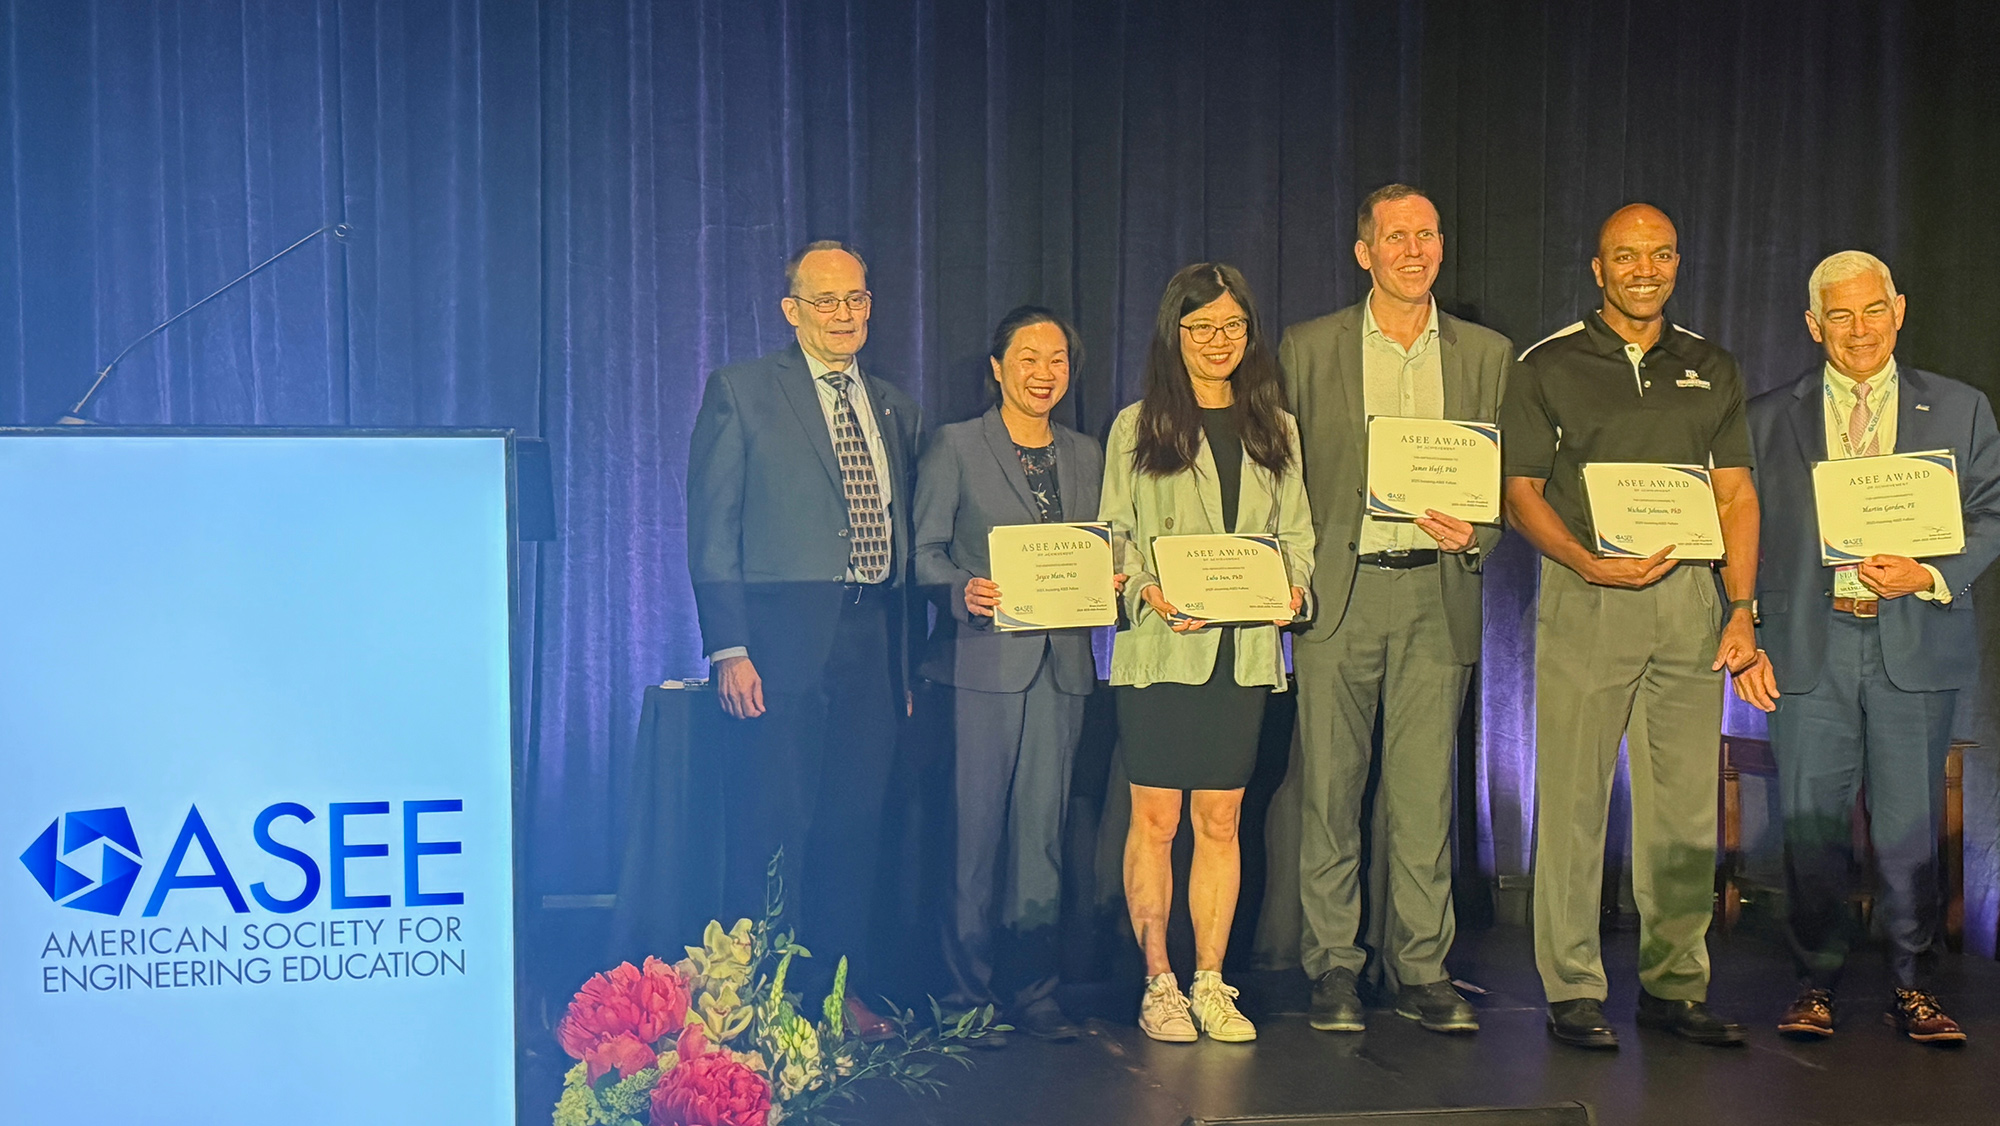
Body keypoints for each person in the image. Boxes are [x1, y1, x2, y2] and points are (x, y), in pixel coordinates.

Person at [1500, 204, 1759, 1049]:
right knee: (1574, 797)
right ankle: (1572, 986)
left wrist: (1742, 605)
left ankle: (1675, 985)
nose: (1644, 269)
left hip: (1688, 602)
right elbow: (1521, 492)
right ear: (1598, 268)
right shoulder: (1549, 364)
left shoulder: (1709, 365)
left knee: (1683, 807)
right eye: (1626, 256)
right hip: (1589, 594)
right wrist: (1584, 559)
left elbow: (1735, 495)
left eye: (1660, 255)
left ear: (1678, 263)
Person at [1732, 251, 2000, 1044]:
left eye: (1872, 310)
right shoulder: (1766, 416)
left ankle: (1915, 987)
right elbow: (1741, 533)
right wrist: (1746, 628)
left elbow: (1992, 513)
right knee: (1811, 828)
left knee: (1909, 827)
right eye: (1840, 316)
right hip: (1810, 645)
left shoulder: (1959, 409)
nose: (1859, 330)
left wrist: (1931, 570)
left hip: (1915, 640)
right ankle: (1814, 984)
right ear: (1815, 326)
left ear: (1900, 310)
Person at [1278, 184, 1511, 1035]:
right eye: (1396, 236)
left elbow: (1506, 480)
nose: (1414, 250)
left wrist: (1474, 532)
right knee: (1331, 795)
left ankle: (1421, 968)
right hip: (1341, 593)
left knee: (1424, 799)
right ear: (1363, 250)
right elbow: (1282, 474)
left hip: (1436, 591)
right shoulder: (1308, 347)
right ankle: (1334, 966)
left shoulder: (1487, 354)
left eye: (1428, 234)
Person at [685, 240, 923, 1038]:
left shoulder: (894, 405)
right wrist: (729, 647)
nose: (845, 314)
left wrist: (908, 662)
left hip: (874, 638)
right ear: (791, 310)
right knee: (771, 826)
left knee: (853, 830)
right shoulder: (744, 392)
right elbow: (712, 529)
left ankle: (833, 995)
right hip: (778, 643)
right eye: (826, 302)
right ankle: (751, 1006)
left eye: (856, 298)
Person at [1101, 263, 1314, 1044]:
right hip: (1163, 652)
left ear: (1249, 334)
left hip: (1244, 654)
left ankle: (1211, 982)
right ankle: (1159, 982)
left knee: (1222, 820)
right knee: (1155, 819)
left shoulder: (1277, 428)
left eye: (1231, 326)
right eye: (1200, 328)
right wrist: (1149, 591)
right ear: (1174, 334)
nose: (1218, 342)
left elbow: (1299, 540)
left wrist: (1293, 591)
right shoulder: (1136, 426)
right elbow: (1115, 539)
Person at [914, 306, 1119, 1044]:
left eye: (1058, 359)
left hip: (1062, 669)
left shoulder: (1087, 455)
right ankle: (964, 996)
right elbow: (923, 553)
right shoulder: (956, 446)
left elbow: (1103, 550)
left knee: (1042, 840)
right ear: (997, 368)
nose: (1044, 372)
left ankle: (1033, 989)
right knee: (975, 840)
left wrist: (1114, 581)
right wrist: (961, 588)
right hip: (982, 667)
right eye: (1028, 358)